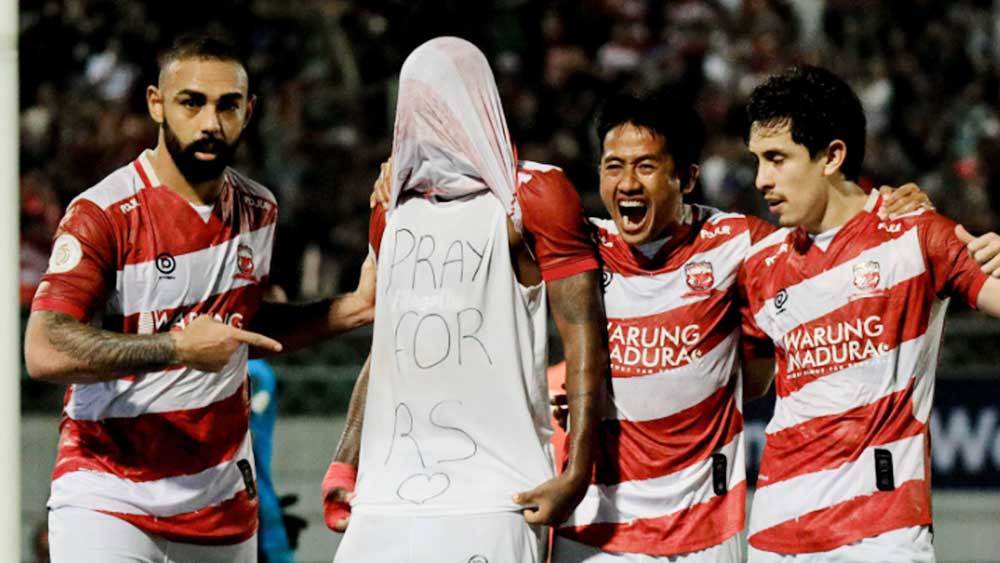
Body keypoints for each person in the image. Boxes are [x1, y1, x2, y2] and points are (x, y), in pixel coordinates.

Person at [23, 34, 375, 563]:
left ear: (248, 111)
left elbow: (242, 326)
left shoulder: (258, 209)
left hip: (220, 504)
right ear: (156, 103)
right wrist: (176, 347)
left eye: (227, 105)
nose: (211, 122)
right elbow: (44, 348)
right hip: (108, 492)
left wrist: (356, 307)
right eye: (192, 103)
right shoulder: (102, 212)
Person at [323, 36, 608, 563]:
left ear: (480, 101)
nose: (428, 115)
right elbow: (390, 349)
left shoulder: (534, 197)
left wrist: (576, 471)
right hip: (385, 498)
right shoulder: (391, 210)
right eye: (416, 101)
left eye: (443, 99)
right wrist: (344, 462)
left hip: (496, 496)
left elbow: (585, 335)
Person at [740, 65, 1000, 562]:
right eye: (757, 161)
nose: (761, 180)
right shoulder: (760, 263)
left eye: (776, 159)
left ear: (832, 156)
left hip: (882, 536)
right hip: (775, 535)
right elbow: (749, 382)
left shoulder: (915, 235)